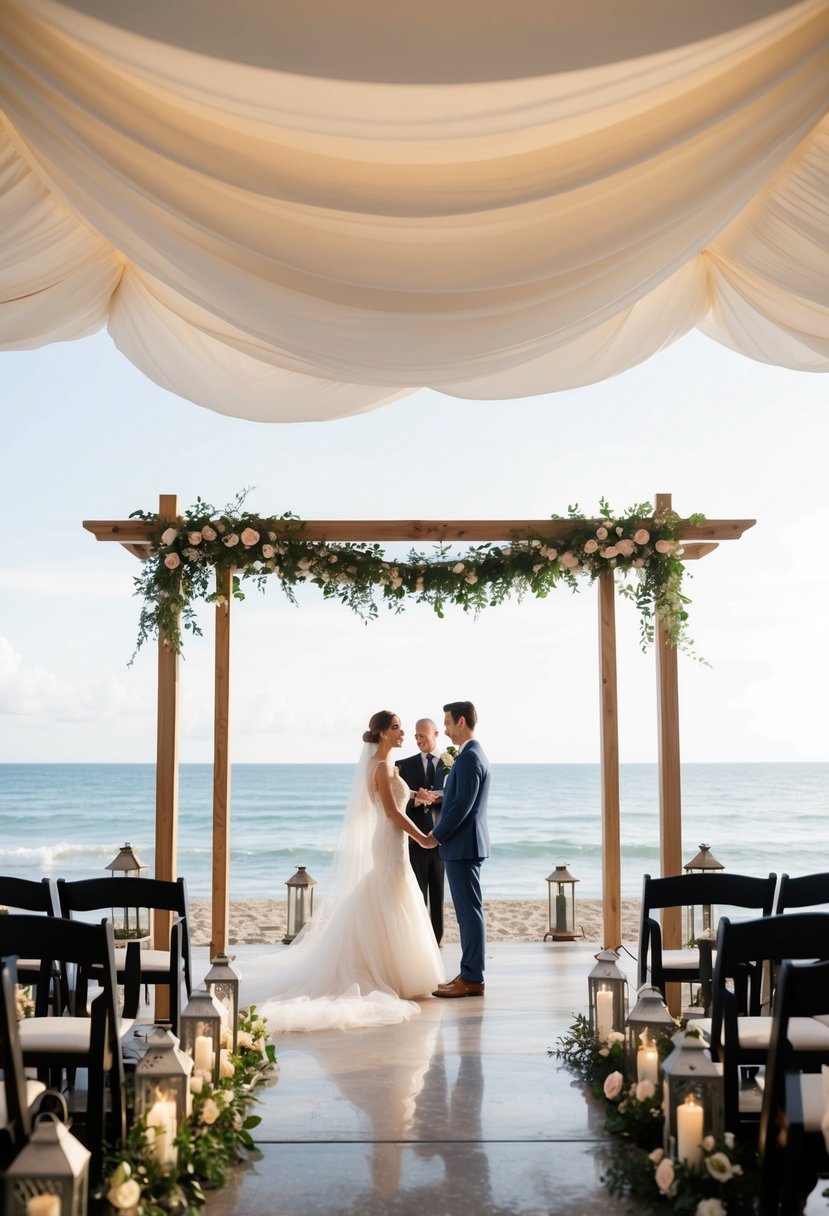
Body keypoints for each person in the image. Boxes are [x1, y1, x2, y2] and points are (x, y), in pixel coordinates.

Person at [242, 711, 444, 1032]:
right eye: (395, 728)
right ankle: (390, 974)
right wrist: (422, 837)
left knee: (394, 897)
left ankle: (396, 971)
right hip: (390, 840)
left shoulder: (388, 766)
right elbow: (390, 812)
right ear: (380, 734)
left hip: (393, 842)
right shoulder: (380, 766)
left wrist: (417, 796)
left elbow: (393, 801)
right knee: (392, 894)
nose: (402, 732)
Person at [431, 701, 490, 999]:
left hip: (463, 846)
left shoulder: (468, 758)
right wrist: (438, 795)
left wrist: (435, 835)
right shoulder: (470, 756)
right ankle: (468, 973)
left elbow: (461, 807)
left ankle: (472, 978)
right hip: (465, 846)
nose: (445, 729)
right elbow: (457, 797)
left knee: (469, 914)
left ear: (462, 722)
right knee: (467, 914)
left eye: (448, 723)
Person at [397, 718, 447, 944]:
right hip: (414, 841)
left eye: (422, 736)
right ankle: (418, 941)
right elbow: (396, 804)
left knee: (438, 894)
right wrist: (415, 802)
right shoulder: (404, 765)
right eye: (415, 736)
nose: (418, 740)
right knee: (417, 894)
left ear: (435, 734)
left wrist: (438, 798)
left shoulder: (451, 764)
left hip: (441, 839)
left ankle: (437, 940)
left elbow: (457, 801)